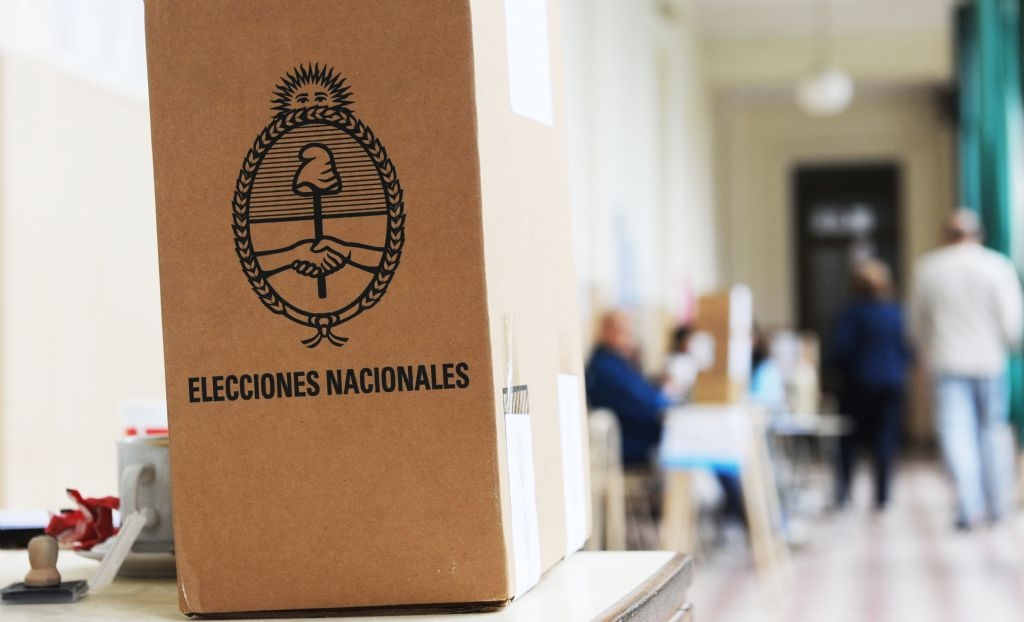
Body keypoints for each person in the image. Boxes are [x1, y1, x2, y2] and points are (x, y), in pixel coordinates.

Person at [908, 209, 1024, 528]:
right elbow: (1012, 324)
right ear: (978, 234)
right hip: (989, 362)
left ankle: (968, 506)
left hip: (946, 361)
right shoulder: (997, 266)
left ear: (946, 235)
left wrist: (923, 352)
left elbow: (916, 325)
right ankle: (997, 505)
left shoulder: (929, 269)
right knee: (992, 431)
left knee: (957, 434)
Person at [829, 259, 911, 510]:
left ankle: (844, 495)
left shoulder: (852, 313)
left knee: (848, 441)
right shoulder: (895, 313)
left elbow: (840, 350)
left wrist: (843, 372)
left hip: (857, 385)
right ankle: (882, 497)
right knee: (885, 441)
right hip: (890, 385)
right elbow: (907, 348)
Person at [585, 311, 670, 466]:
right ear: (605, 331)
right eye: (622, 331)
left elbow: (643, 392)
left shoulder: (617, 361)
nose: (628, 338)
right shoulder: (604, 367)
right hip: (630, 440)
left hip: (638, 433)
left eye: (630, 332)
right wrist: (664, 399)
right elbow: (644, 405)